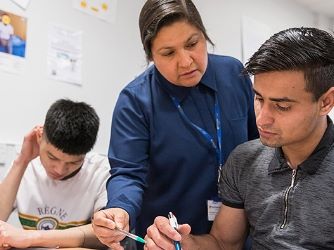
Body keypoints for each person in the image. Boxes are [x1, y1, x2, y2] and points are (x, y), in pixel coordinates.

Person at [144, 27, 334, 249]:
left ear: (326, 102)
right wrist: (180, 243)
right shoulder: (245, 160)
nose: (262, 119)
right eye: (259, 99)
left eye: (282, 106)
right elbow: (224, 243)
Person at [92, 0, 258, 249]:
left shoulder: (233, 74)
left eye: (192, 44)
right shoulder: (136, 101)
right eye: (168, 53)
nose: (186, 61)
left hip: (238, 235)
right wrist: (120, 208)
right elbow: (128, 173)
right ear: (151, 56)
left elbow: (258, 147)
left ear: (204, 35)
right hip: (168, 240)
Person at [0, 99, 110, 249]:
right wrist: (22, 161)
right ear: (40, 137)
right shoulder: (24, 165)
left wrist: (30, 238)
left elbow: (104, 234)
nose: (59, 169)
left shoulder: (100, 171)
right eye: (52, 157)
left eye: (73, 163)